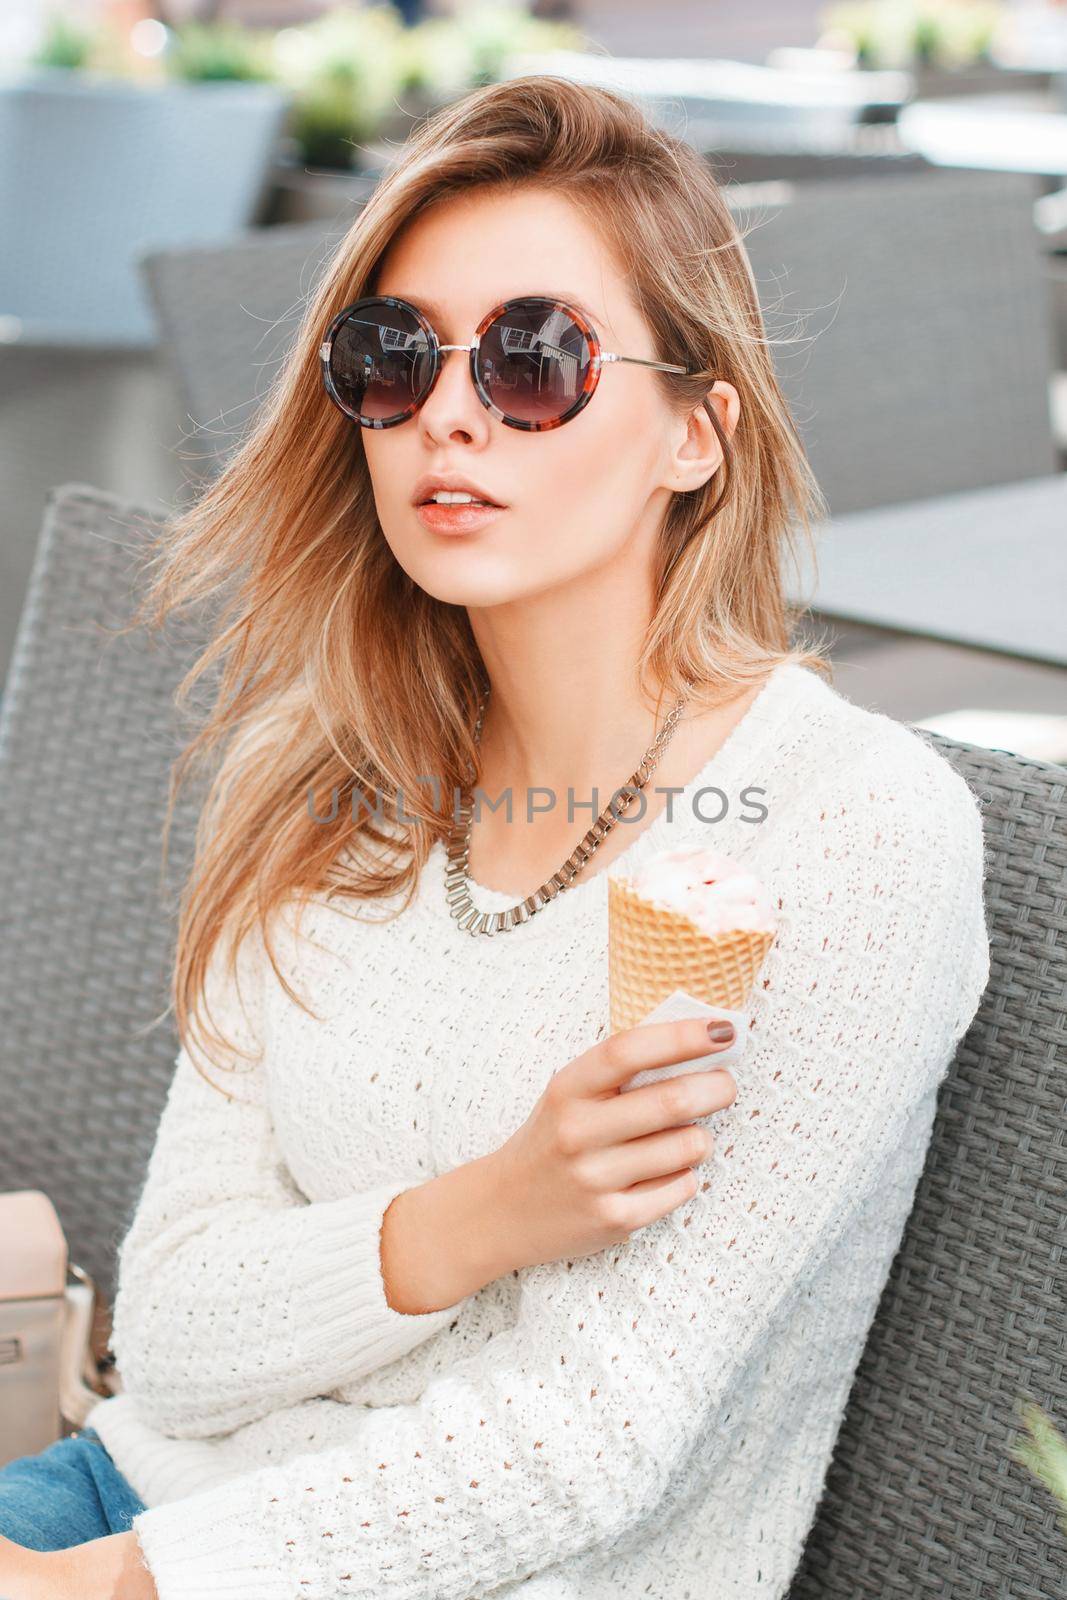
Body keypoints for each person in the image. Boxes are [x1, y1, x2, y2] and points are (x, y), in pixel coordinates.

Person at [0, 73, 990, 1600]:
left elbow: (588, 1440)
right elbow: (182, 1341)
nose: (450, 412)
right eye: (394, 359)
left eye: (536, 358)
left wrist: (99, 1588)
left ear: (696, 435)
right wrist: (486, 1213)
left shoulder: (849, 836)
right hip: (123, 1493)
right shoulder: (318, 785)